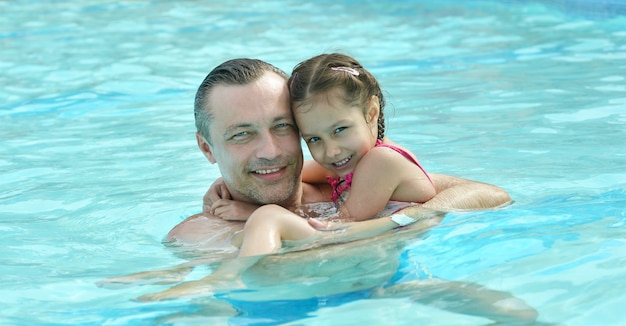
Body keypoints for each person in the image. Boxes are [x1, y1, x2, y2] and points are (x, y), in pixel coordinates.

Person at [100, 57, 536, 323]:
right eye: (242, 135)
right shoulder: (199, 233)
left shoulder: (342, 182)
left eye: (282, 128)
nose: (269, 151)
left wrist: (404, 219)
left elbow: (489, 194)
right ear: (206, 149)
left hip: (393, 293)